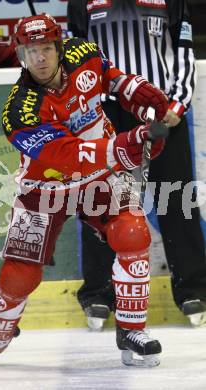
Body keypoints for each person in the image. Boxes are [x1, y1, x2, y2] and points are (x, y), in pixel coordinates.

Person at [0, 13, 169, 368]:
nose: (39, 58)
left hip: (100, 175)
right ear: (20, 55)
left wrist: (134, 90)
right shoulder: (19, 111)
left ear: (58, 46)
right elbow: (67, 157)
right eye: (29, 51)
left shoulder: (84, 51)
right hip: (44, 187)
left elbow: (110, 77)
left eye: (45, 48)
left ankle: (132, 331)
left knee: (133, 232)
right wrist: (126, 144)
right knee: (19, 274)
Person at [67, 0, 206, 330]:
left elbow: (184, 52)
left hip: (158, 108)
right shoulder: (80, 2)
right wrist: (84, 112)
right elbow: (72, 60)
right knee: (101, 201)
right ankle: (99, 292)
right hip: (105, 113)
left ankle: (193, 288)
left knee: (177, 198)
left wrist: (176, 104)